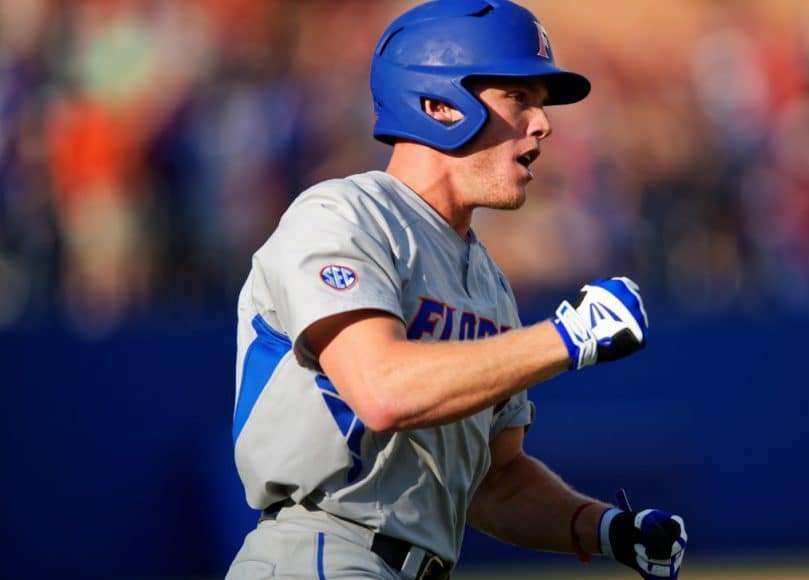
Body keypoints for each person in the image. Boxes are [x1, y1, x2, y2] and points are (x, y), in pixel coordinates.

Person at [227, 1, 687, 578]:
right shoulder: (343, 214)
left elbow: (496, 481)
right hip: (321, 551)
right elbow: (381, 390)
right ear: (439, 104)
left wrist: (605, 528)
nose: (542, 124)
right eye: (519, 98)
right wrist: (567, 338)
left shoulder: (489, 281)